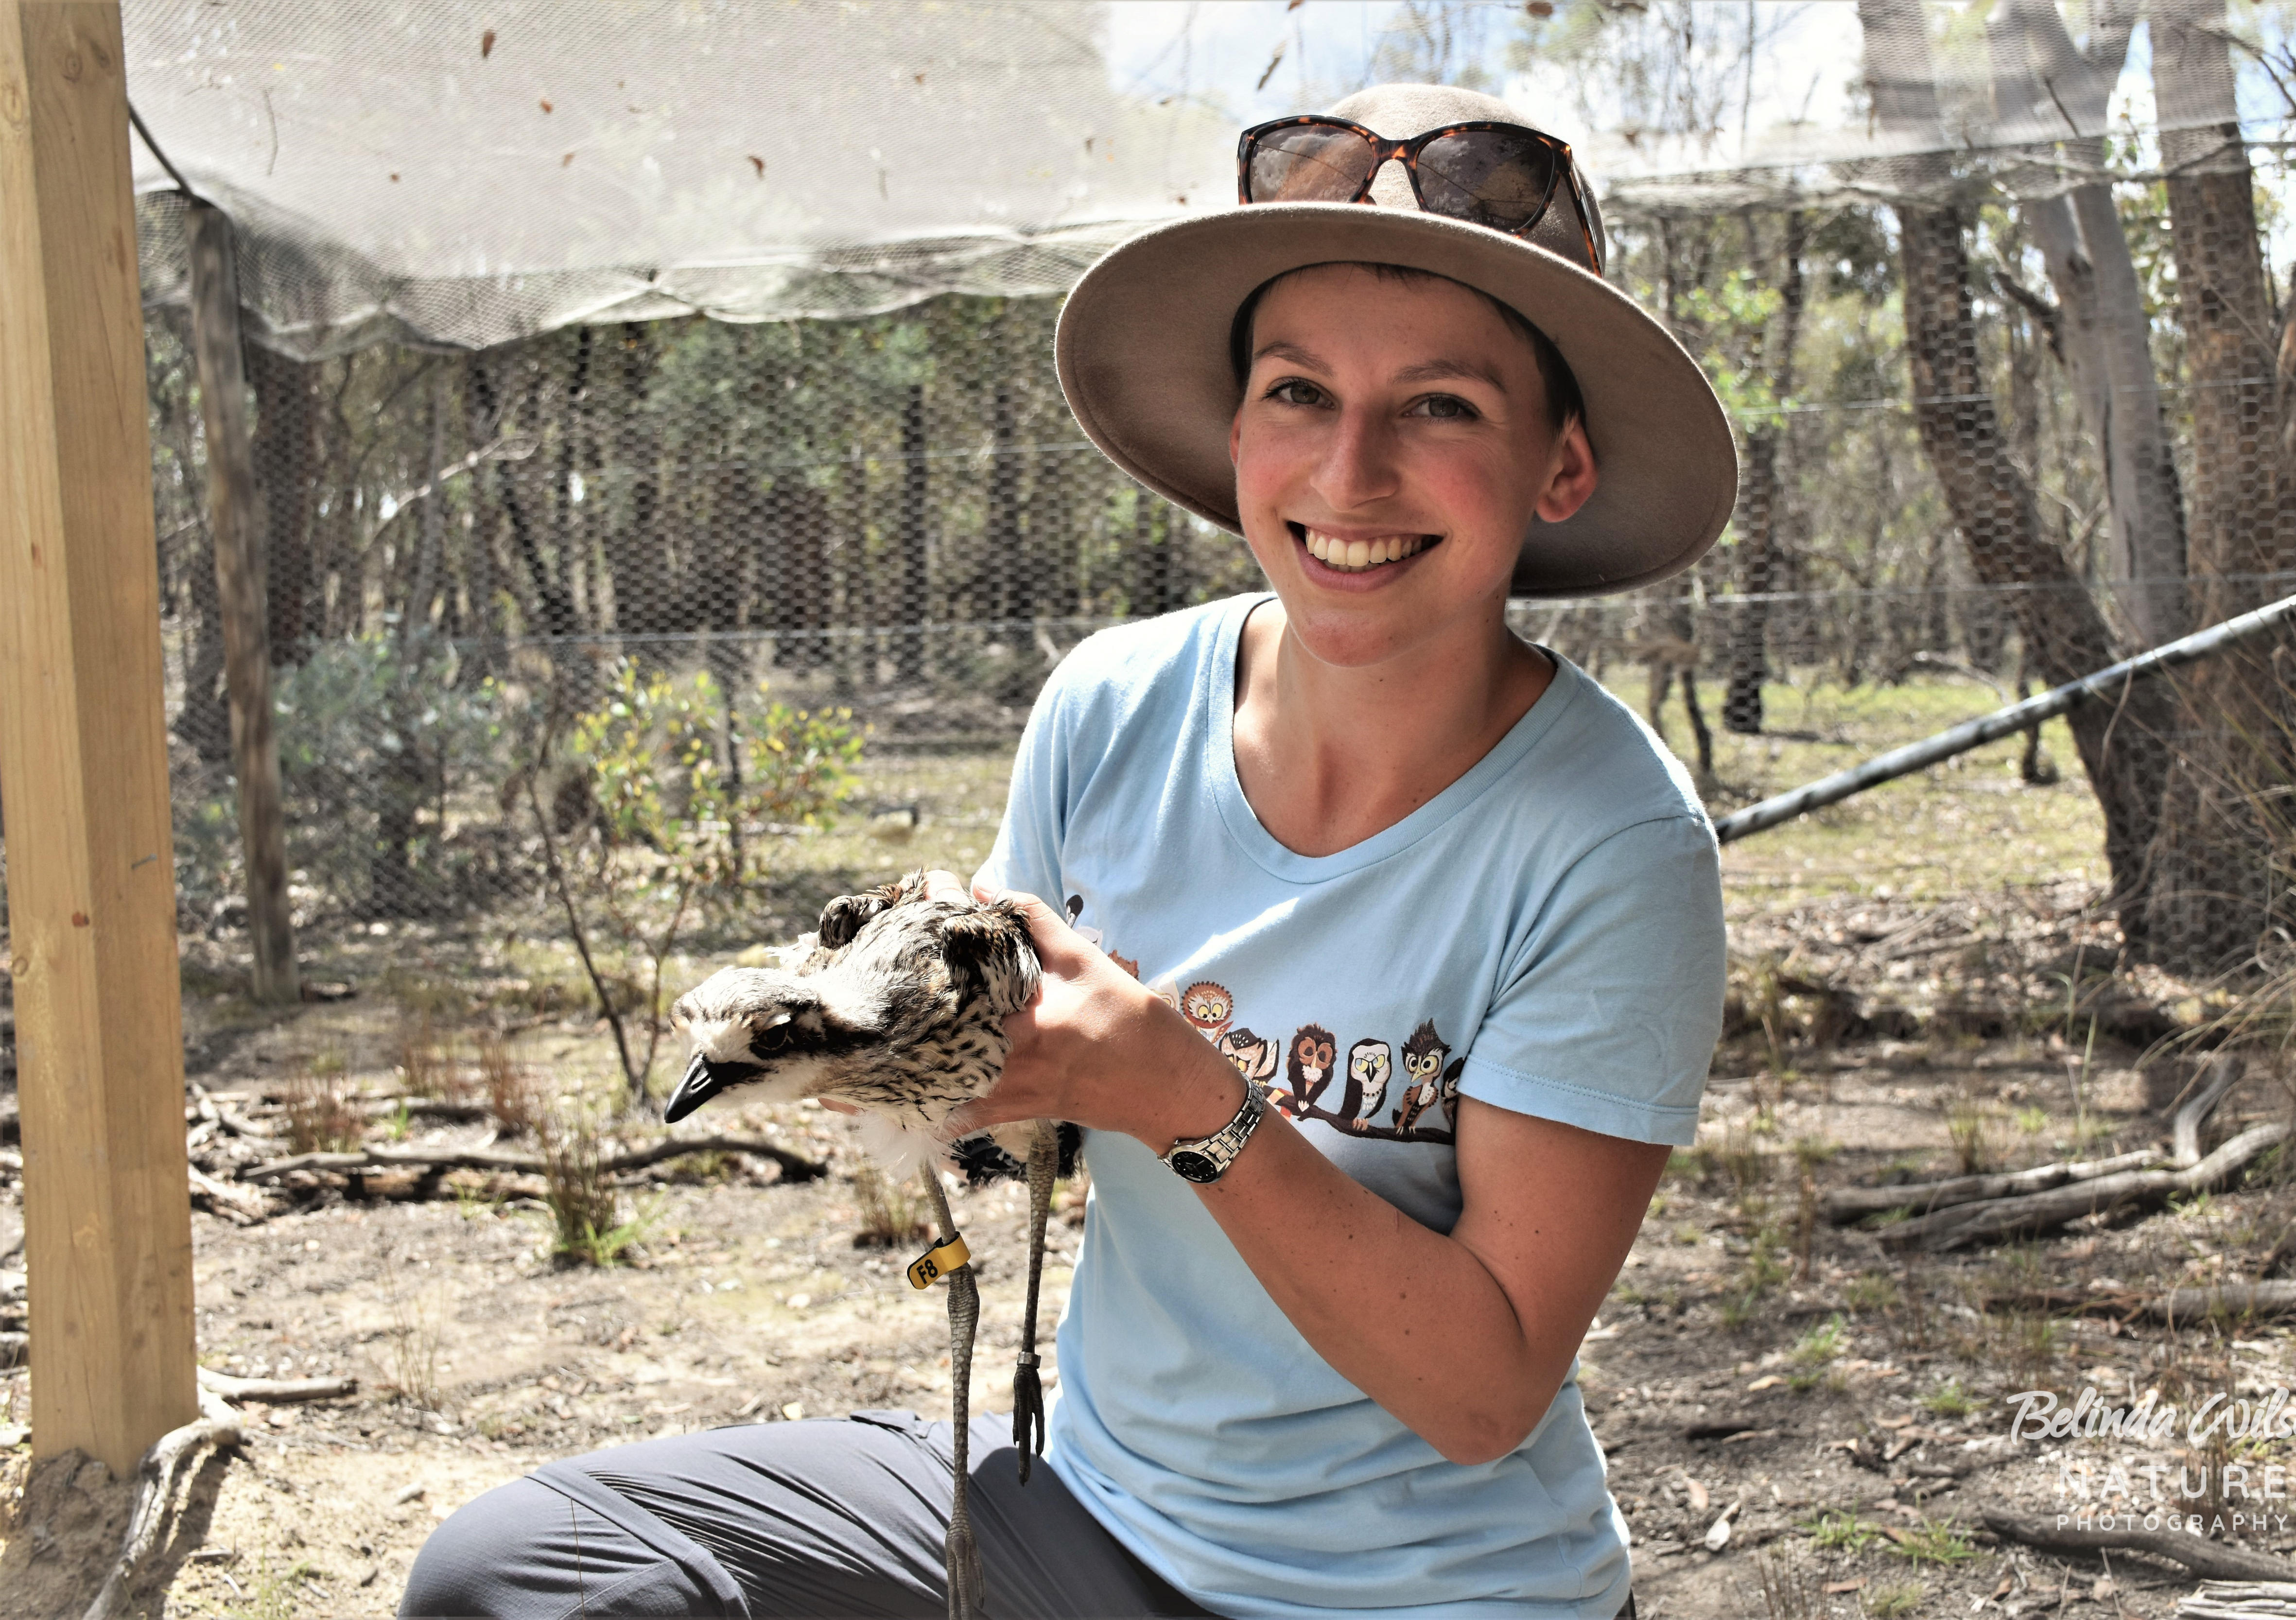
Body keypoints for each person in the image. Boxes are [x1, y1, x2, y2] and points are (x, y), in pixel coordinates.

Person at [401, 82, 1734, 1620]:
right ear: (1238, 427)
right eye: (1299, 392)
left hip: (1426, 1590)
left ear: (1559, 468)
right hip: (1092, 1506)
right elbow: (1004, 1096)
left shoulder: (1611, 842)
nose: (1349, 472)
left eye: (1441, 407)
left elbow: (1484, 1394)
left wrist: (1179, 1094)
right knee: (521, 1579)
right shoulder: (1113, 704)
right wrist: (892, 1048)